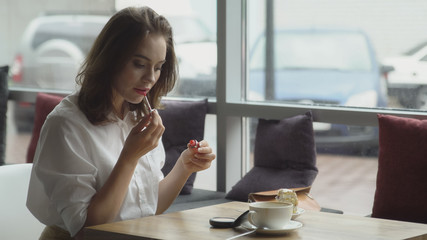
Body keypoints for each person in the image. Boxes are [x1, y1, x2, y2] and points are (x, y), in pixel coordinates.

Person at [26, 6, 215, 240]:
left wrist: (184, 167)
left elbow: (147, 207)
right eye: (139, 64)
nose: (150, 78)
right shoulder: (66, 124)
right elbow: (87, 229)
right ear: (110, 58)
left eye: (158, 67)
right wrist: (129, 156)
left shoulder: (137, 117)